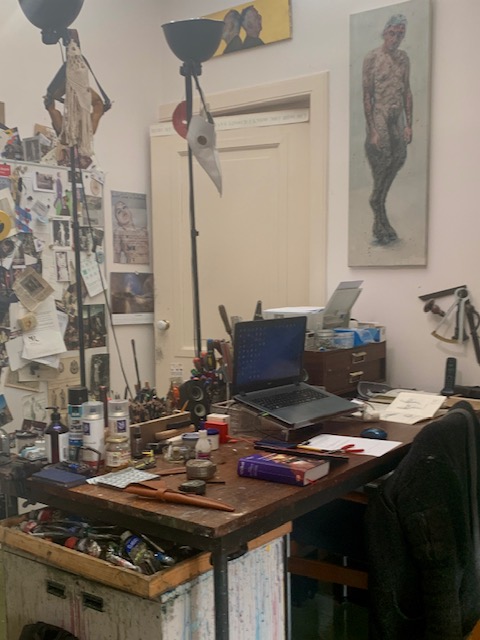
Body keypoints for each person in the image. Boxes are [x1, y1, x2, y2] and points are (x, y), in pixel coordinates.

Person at [362, 14, 412, 245]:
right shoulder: (372, 58)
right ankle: (379, 213)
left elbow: (407, 91)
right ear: (384, 33)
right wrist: (372, 129)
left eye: (400, 34)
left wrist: (409, 124)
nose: (396, 38)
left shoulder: (403, 58)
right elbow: (367, 95)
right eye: (392, 33)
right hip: (380, 113)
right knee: (385, 158)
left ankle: (378, 200)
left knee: (399, 157)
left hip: (397, 115)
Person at [112, 200, 149, 264]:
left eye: (124, 207)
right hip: (133, 267)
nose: (123, 211)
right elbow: (116, 257)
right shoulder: (119, 232)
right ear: (117, 220)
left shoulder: (144, 230)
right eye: (119, 212)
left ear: (130, 211)